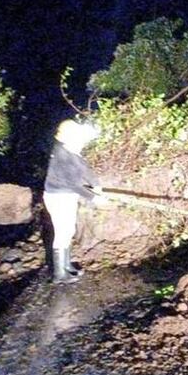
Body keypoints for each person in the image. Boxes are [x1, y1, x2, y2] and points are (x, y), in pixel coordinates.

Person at [43, 119, 106, 284]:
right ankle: (59, 274)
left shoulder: (71, 149)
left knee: (68, 230)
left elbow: (83, 167)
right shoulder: (61, 153)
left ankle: (66, 266)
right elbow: (72, 183)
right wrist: (94, 197)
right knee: (63, 232)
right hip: (57, 196)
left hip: (67, 195)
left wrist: (96, 185)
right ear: (68, 136)